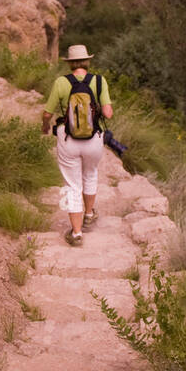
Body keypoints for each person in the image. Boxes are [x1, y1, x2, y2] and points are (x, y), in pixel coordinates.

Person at [42, 44, 113, 247]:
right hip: (93, 139)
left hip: (68, 139)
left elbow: (48, 112)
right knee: (90, 174)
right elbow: (108, 113)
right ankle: (89, 214)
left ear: (70, 63)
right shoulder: (99, 81)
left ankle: (76, 233)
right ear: (87, 61)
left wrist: (45, 125)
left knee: (72, 185)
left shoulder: (61, 82)